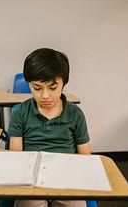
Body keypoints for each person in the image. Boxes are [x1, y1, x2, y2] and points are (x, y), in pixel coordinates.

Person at [8, 48, 91, 207]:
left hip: (67, 177)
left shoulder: (75, 115)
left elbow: (85, 157)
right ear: (28, 84)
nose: (45, 95)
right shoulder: (20, 113)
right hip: (31, 178)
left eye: (52, 88)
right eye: (37, 88)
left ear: (63, 84)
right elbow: (16, 157)